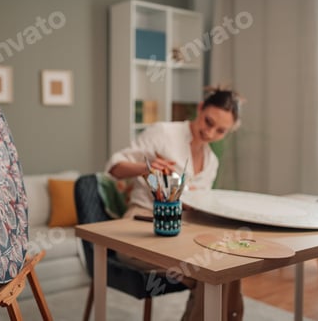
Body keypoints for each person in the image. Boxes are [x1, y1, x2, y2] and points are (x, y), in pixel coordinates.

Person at [105, 86, 244, 321]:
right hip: (140, 224)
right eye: (208, 122)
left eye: (220, 131)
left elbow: (197, 203)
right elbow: (114, 167)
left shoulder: (211, 161)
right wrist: (145, 167)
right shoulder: (164, 133)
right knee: (210, 273)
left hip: (181, 230)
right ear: (200, 108)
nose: (210, 133)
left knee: (230, 267)